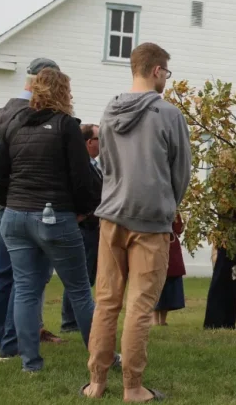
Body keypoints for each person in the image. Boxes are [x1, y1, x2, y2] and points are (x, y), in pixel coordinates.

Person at [83, 42, 191, 402]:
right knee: (140, 308)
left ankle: (96, 383)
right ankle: (132, 388)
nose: (166, 79)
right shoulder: (169, 115)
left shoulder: (109, 112)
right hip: (150, 221)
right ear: (157, 70)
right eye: (166, 73)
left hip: (111, 216)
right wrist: (166, 205)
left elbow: (107, 167)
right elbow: (181, 173)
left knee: (107, 302)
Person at [0, 68, 101, 373]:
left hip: (15, 218)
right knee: (78, 290)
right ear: (64, 92)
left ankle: (30, 364)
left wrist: (10, 204)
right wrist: (84, 211)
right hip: (55, 217)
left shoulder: (12, 125)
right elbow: (82, 178)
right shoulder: (66, 126)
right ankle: (100, 358)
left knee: (25, 289)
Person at [0, 58, 65, 361]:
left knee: (4, 272)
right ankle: (12, 340)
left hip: (6, 200)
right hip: (21, 201)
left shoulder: (6, 109)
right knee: (24, 276)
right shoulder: (25, 112)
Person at [61, 124, 102, 334]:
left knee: (87, 274)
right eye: (99, 139)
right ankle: (70, 321)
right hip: (84, 226)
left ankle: (74, 319)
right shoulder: (82, 166)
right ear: (89, 142)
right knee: (80, 275)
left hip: (93, 226)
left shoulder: (94, 165)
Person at [153, 214, 186, 326]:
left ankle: (161, 320)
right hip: (157, 245)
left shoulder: (174, 210)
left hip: (170, 249)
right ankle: (155, 320)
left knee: (167, 287)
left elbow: (178, 229)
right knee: (155, 284)